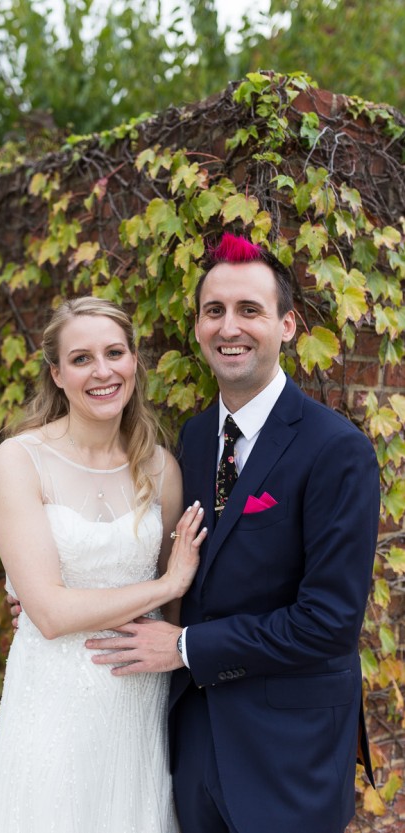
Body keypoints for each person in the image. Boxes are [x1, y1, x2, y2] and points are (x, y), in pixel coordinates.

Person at [85, 234, 381, 833]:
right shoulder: (193, 440)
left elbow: (328, 622)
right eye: (214, 311)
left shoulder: (338, 450)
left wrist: (185, 648)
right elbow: (171, 566)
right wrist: (64, 603)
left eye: (250, 310)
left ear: (288, 325)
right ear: (197, 327)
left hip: (289, 752)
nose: (229, 327)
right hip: (195, 737)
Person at [0, 296, 207, 833]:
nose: (102, 371)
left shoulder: (161, 468)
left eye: (114, 353)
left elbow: (172, 614)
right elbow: (52, 613)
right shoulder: (19, 460)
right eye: (81, 359)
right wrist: (167, 582)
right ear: (57, 374)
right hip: (53, 697)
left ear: (134, 363)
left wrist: (168, 595)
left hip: (137, 695)